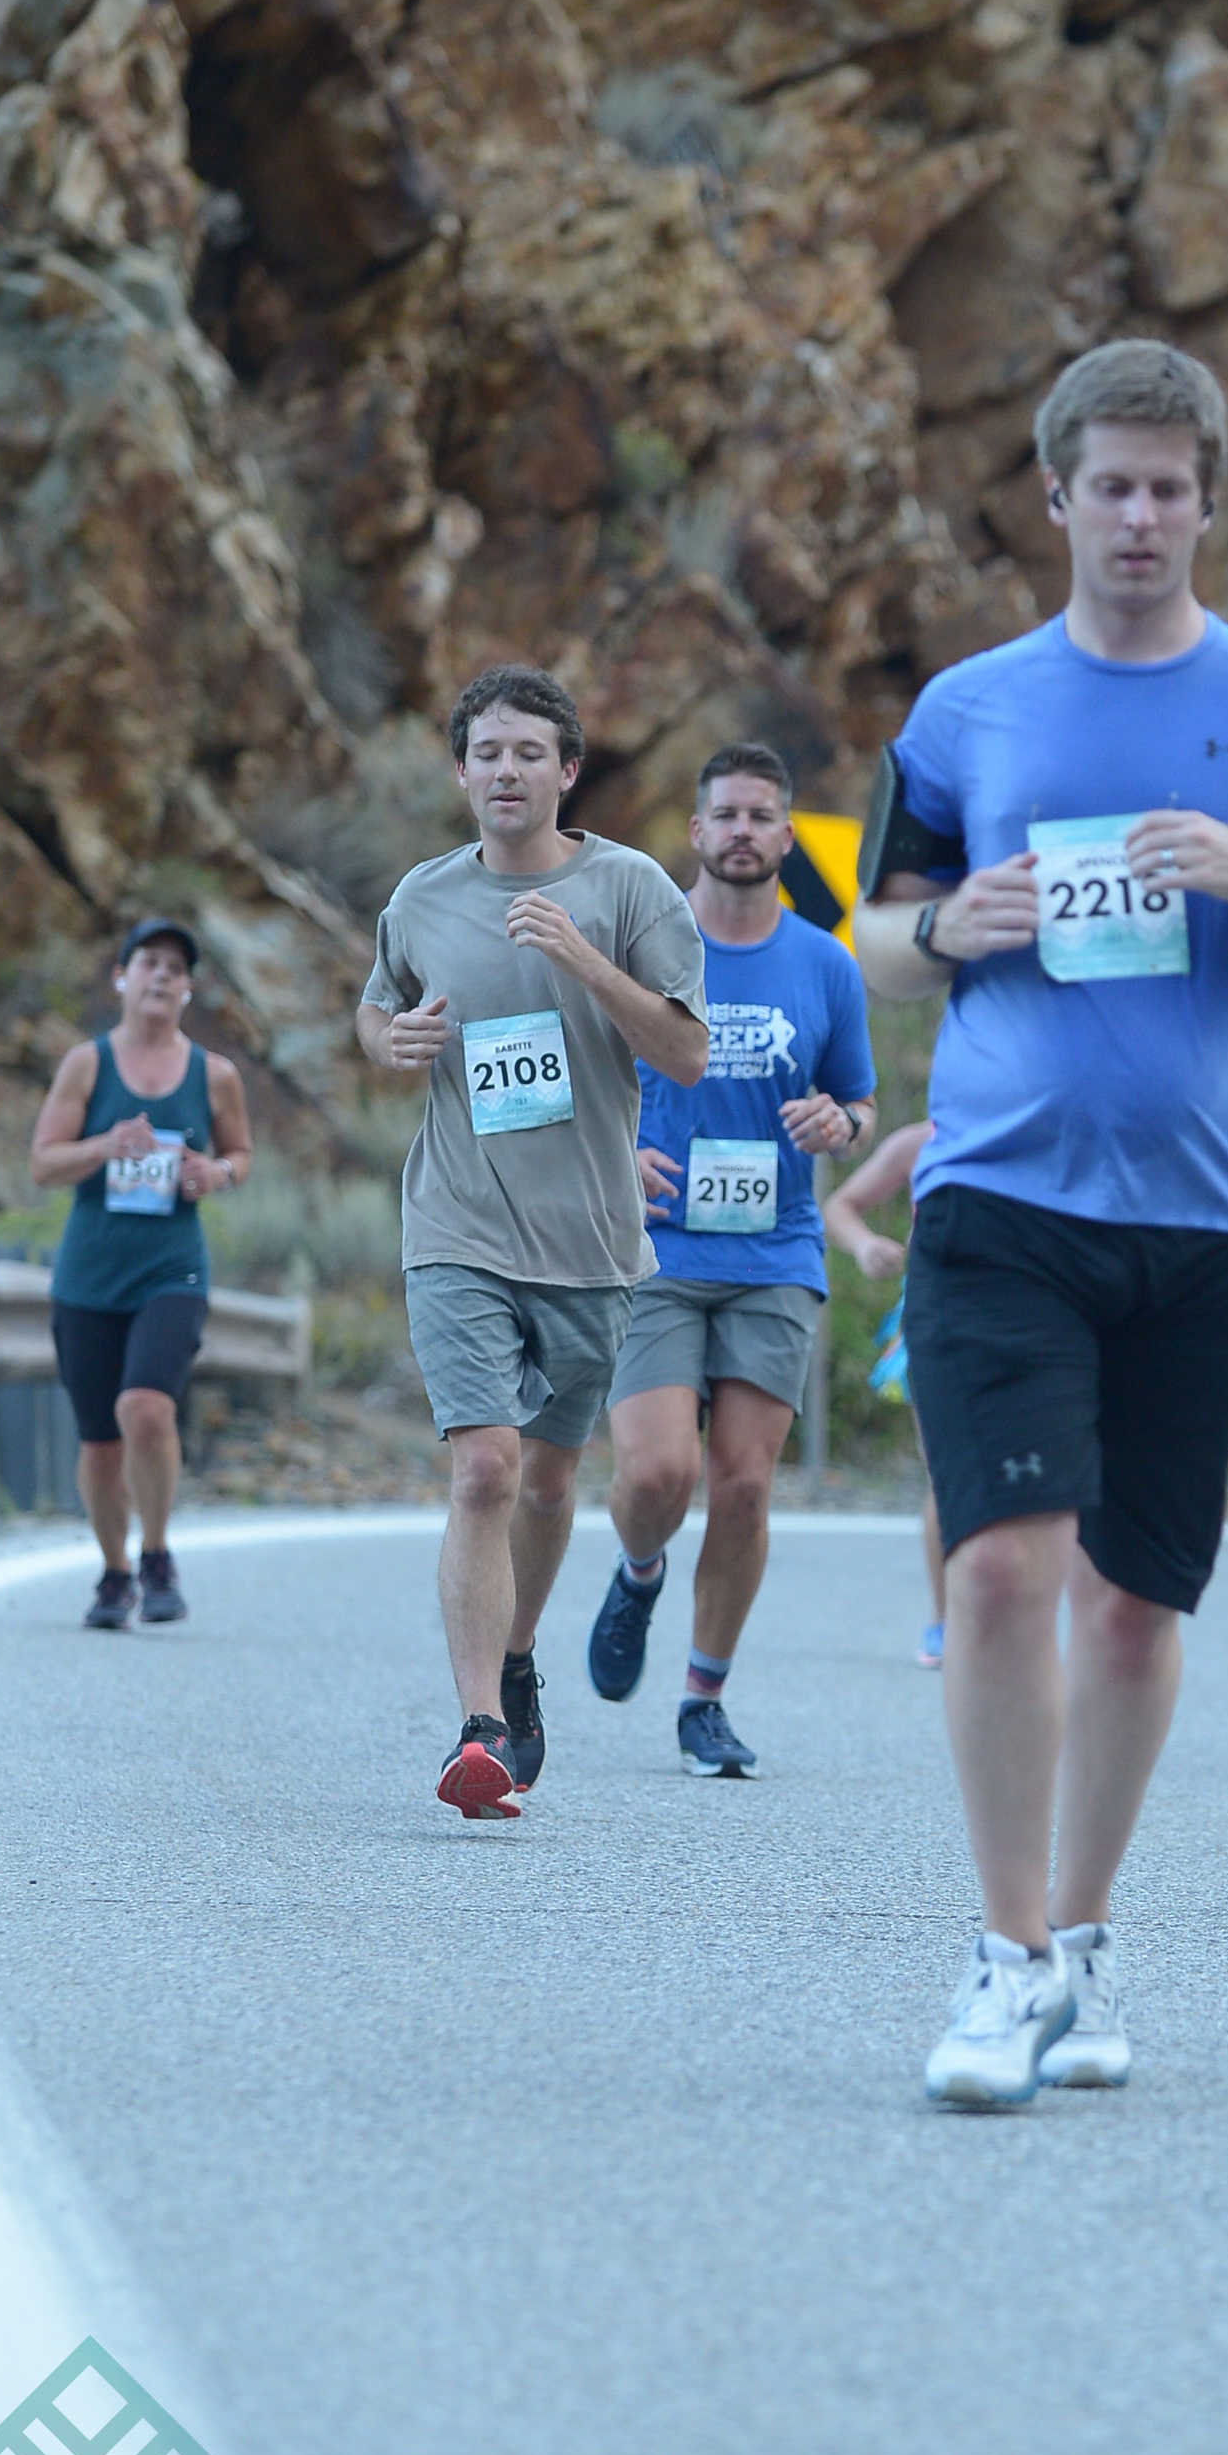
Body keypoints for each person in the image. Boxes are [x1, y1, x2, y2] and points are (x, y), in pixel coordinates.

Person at [854, 337, 1228, 2104]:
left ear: (1206, 504)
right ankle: (1004, 1956)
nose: (1141, 516)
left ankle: (1083, 1941)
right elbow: (870, 933)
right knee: (1000, 1565)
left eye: (1171, 488)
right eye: (1111, 485)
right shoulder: (968, 709)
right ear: (1057, 496)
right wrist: (952, 927)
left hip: (1202, 1225)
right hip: (1000, 1196)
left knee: (1127, 1611)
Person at [359, 663, 708, 1817]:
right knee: (484, 1469)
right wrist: (389, 1041)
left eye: (527, 753)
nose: (505, 771)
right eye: (486, 753)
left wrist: (580, 958)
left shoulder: (630, 888)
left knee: (550, 1486)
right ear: (461, 773)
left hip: (591, 1241)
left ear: (567, 771)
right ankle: (478, 1729)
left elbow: (685, 1054)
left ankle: (515, 1658)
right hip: (455, 1222)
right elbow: (376, 1006)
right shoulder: (422, 897)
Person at [587, 744, 875, 1773]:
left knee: (744, 1486)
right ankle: (638, 1570)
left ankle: (703, 1697)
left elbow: (859, 1102)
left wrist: (840, 1124)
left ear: (787, 836)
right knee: (658, 1471)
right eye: (727, 815)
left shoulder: (826, 964)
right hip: (657, 1246)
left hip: (776, 1252)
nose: (743, 831)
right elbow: (583, 1080)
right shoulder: (641, 946)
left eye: (762, 815)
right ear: (697, 832)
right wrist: (616, 1156)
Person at [30, 917, 252, 1631]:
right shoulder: (86, 1064)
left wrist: (214, 1173)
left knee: (147, 1409)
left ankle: (156, 1554)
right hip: (89, 1275)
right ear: (122, 978)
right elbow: (43, 1163)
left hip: (171, 1270)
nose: (162, 976)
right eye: (149, 963)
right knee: (100, 1443)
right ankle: (114, 1572)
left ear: (188, 990)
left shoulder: (214, 1075)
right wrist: (104, 1146)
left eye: (175, 969)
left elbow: (240, 1155)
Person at [823, 1117, 948, 1662]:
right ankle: (946, 1621)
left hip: (1032, 1317)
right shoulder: (920, 1142)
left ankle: (1012, 1614)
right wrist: (865, 1245)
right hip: (937, 1316)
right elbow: (841, 1205)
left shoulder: (1036, 1124)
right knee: (948, 1471)